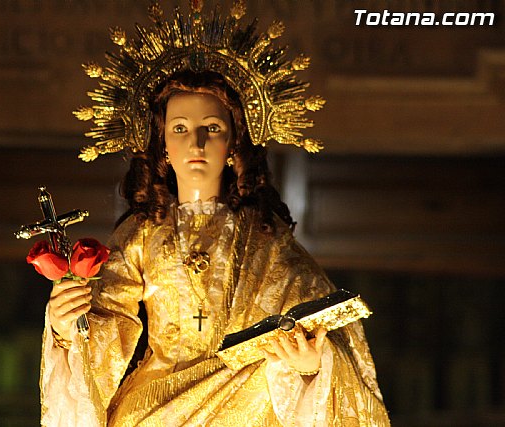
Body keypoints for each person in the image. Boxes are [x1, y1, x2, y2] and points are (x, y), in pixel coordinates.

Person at [39, 2, 390, 426]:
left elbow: (319, 326)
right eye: (180, 129)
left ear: (234, 143)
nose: (197, 143)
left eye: (212, 128)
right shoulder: (141, 234)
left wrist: (309, 367)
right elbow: (107, 325)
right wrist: (66, 327)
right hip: (154, 413)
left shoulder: (266, 240)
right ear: (162, 145)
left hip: (249, 408)